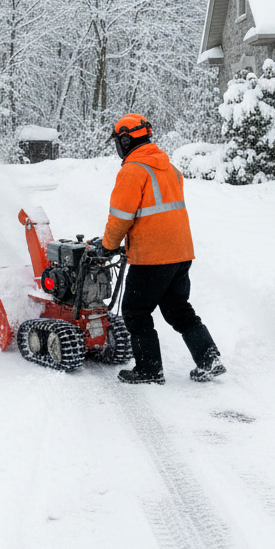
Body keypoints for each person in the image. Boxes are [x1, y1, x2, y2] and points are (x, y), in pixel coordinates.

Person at [97, 113, 225, 385]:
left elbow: (121, 217)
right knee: (179, 309)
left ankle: (148, 370)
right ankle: (209, 359)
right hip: (180, 253)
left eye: (118, 142)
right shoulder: (169, 167)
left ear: (125, 139)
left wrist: (107, 246)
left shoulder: (133, 170)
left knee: (135, 312)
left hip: (152, 257)